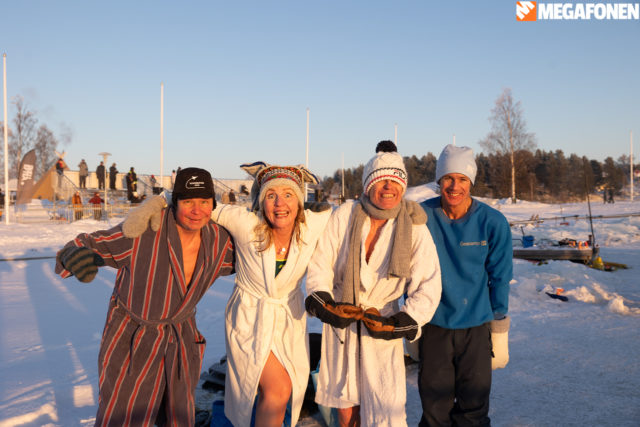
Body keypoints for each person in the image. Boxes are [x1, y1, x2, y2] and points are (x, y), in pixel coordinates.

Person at [122, 162, 332, 427]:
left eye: (288, 195)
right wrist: (154, 204)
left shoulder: (311, 225)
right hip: (251, 318)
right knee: (278, 389)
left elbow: (349, 215)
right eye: (271, 195)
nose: (280, 203)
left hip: (289, 319)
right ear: (261, 201)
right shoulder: (246, 224)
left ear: (300, 201)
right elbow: (201, 204)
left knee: (283, 388)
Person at [55, 167, 235, 426]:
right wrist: (74, 256)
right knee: (122, 415)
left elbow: (259, 256)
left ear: (213, 204)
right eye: (188, 202)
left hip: (180, 339)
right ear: (175, 202)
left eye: (204, 202)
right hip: (132, 339)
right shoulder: (144, 229)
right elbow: (88, 244)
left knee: (178, 415)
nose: (197, 210)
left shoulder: (218, 242)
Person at [305, 141, 442, 427]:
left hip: (382, 322)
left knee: (385, 409)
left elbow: (428, 284)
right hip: (343, 321)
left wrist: (404, 320)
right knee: (345, 406)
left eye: (395, 180)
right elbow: (321, 262)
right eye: (381, 180)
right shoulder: (345, 215)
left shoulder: (413, 226)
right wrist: (324, 301)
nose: (388, 186)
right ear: (368, 185)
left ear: (403, 186)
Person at [418, 144, 513, 427]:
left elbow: (500, 276)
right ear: (439, 181)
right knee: (435, 411)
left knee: (473, 411)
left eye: (462, 178)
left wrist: (499, 324)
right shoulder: (421, 218)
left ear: (471, 181)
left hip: (476, 327)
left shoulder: (492, 222)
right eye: (448, 178)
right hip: (435, 324)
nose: (454, 186)